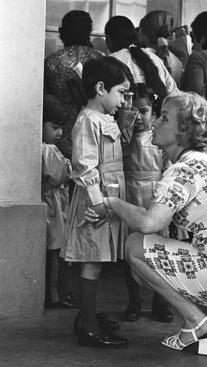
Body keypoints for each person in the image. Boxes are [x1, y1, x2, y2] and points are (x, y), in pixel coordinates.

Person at [84, 92, 207, 353]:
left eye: (164, 118)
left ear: (184, 131)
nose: (155, 123)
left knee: (135, 246)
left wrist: (112, 203)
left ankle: (196, 322)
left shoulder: (183, 169)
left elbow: (148, 223)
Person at [61, 57, 131, 348]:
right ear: (101, 88)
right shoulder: (87, 121)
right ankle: (88, 328)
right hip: (95, 205)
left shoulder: (106, 119)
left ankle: (86, 317)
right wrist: (98, 202)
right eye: (121, 93)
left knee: (98, 262)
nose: (125, 101)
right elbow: (85, 167)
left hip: (108, 201)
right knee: (91, 264)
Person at [120, 83, 172, 323]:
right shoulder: (123, 138)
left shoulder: (159, 138)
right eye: (134, 111)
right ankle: (133, 302)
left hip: (155, 198)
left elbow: (168, 170)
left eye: (145, 111)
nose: (139, 117)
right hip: (130, 196)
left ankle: (160, 303)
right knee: (130, 251)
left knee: (159, 252)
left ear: (154, 112)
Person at [44, 10, 104, 158]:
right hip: (94, 130)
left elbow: (45, 100)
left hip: (60, 133)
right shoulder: (100, 60)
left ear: (63, 32)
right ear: (88, 32)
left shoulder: (52, 62)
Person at [42, 95, 74, 309]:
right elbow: (61, 175)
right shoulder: (48, 150)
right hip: (52, 206)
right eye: (55, 127)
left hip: (50, 203)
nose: (60, 133)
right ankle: (55, 296)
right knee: (54, 253)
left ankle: (56, 294)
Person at [105, 16, 177, 101]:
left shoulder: (111, 61)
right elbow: (174, 95)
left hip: (125, 113)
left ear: (108, 39)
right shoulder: (154, 58)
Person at [138, 10, 184, 90]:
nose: (138, 33)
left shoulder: (139, 56)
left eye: (140, 30)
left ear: (148, 33)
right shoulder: (177, 61)